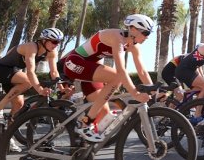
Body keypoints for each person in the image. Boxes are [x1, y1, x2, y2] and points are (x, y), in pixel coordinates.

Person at [61, 14, 154, 143]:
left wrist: (155, 92)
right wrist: (135, 93)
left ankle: (82, 145)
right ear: (132, 29)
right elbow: (121, 70)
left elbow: (142, 71)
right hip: (74, 62)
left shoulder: (134, 46)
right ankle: (85, 124)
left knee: (103, 111)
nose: (147, 37)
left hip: (91, 68)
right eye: (145, 32)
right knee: (116, 76)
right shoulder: (116, 37)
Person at [0, 28, 62, 151]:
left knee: (19, 104)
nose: (56, 45)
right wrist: (39, 89)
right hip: (0, 69)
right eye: (54, 42)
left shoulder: (52, 52)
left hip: (14, 73)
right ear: (44, 40)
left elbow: (54, 72)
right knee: (28, 82)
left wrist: (61, 86)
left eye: (58, 42)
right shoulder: (31, 47)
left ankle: (7, 137)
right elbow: (30, 72)